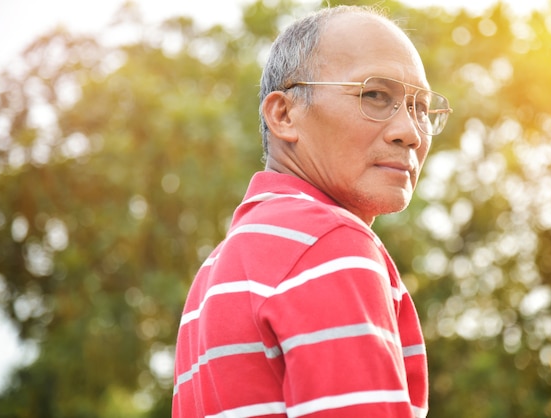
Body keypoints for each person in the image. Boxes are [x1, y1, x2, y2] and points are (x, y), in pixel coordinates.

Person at [172, 5, 452, 418]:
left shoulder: (216, 273)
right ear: (284, 115)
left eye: (420, 108)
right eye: (375, 95)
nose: (410, 133)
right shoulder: (331, 245)